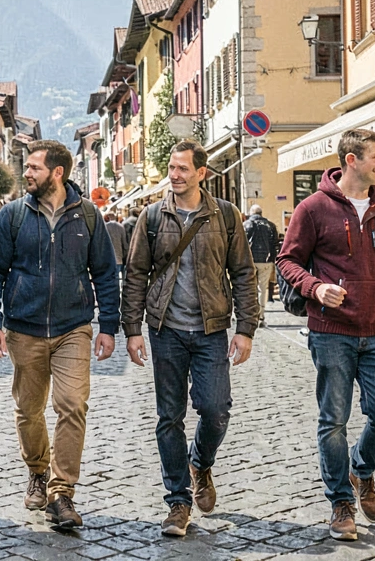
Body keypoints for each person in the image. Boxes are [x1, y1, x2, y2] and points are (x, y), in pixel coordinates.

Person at [276, 129, 375, 542]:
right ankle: (341, 503)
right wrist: (314, 287)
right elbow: (287, 260)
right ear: (351, 160)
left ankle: (362, 469)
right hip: (331, 331)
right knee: (333, 421)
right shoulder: (313, 207)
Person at [0, 140, 120, 531]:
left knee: (72, 404)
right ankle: (38, 470)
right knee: (28, 410)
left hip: (74, 326)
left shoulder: (88, 216)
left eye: (34, 168)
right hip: (23, 328)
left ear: (57, 173)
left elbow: (106, 274)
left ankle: (61, 493)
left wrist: (109, 325)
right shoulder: (11, 216)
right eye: (27, 167)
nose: (27, 173)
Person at [123, 141, 259, 537]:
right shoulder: (151, 216)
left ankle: (200, 463)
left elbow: (244, 274)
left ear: (202, 173)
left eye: (183, 168)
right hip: (165, 329)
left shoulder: (226, 216)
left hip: (211, 329)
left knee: (216, 409)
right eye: (172, 167)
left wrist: (246, 328)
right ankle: (178, 502)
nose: (175, 175)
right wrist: (132, 330)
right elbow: (135, 275)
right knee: (170, 417)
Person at [243, 204, 279, 314]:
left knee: (249, 287)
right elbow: (275, 244)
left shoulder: (246, 224)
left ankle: (250, 313)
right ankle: (261, 313)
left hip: (249, 260)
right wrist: (272, 259)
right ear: (261, 213)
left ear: (251, 214)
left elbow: (241, 243)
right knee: (263, 288)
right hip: (266, 261)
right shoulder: (270, 225)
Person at [105, 212, 129, 283]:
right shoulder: (121, 227)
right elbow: (125, 244)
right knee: (118, 279)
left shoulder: (104, 227)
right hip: (119, 258)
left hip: (107, 258)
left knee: (109, 280)